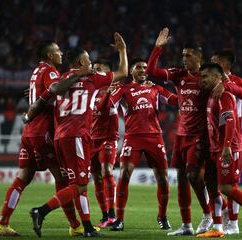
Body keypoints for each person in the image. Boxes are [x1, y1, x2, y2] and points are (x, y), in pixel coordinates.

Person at [28, 32, 128, 237]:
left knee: (76, 184)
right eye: (89, 60)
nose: (91, 63)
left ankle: (87, 227)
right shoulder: (92, 77)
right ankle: (41, 210)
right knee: (81, 184)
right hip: (78, 135)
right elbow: (123, 72)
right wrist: (123, 50)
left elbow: (42, 99)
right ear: (83, 61)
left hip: (59, 137)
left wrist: (28, 117)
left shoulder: (60, 79)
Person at [0, 41, 80, 237]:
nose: (61, 53)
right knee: (62, 178)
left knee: (23, 176)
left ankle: (2, 223)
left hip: (29, 132)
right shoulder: (50, 71)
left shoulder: (36, 72)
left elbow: (44, 93)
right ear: (49, 55)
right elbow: (57, 89)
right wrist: (78, 77)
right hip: (43, 132)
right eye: (57, 51)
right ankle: (75, 226)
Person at [146, 27, 213, 235]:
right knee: (182, 178)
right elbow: (152, 72)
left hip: (199, 136)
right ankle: (186, 225)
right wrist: (158, 49)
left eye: (189, 55)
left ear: (199, 57)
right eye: (183, 55)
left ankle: (208, 214)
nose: (184, 59)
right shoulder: (179, 75)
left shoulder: (208, 77)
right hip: (181, 135)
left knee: (194, 176)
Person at [102, 59, 178, 231]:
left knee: (163, 180)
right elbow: (107, 106)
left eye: (145, 67)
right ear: (131, 71)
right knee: (124, 175)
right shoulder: (123, 89)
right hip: (132, 137)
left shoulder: (155, 88)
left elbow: (174, 100)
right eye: (139, 67)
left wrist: (189, 93)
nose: (143, 70)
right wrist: (109, 91)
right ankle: (119, 220)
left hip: (154, 137)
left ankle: (162, 216)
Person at [197, 63, 242, 238]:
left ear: (217, 77)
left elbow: (230, 121)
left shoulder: (225, 95)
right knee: (211, 185)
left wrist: (227, 145)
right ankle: (218, 228)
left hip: (227, 148)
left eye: (205, 76)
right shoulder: (212, 95)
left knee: (227, 187)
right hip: (214, 148)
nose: (202, 80)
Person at [211, 49, 242, 235]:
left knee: (229, 185)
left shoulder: (237, 81)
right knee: (209, 181)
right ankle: (223, 213)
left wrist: (226, 85)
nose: (211, 61)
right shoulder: (209, 80)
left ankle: (233, 223)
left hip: (232, 139)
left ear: (225, 64)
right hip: (212, 139)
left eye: (215, 60)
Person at [90, 59, 118, 227]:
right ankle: (104, 215)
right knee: (96, 178)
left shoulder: (116, 89)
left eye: (99, 69)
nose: (95, 72)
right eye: (94, 69)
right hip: (91, 139)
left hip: (107, 138)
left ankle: (112, 215)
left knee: (106, 172)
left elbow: (101, 108)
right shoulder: (91, 90)